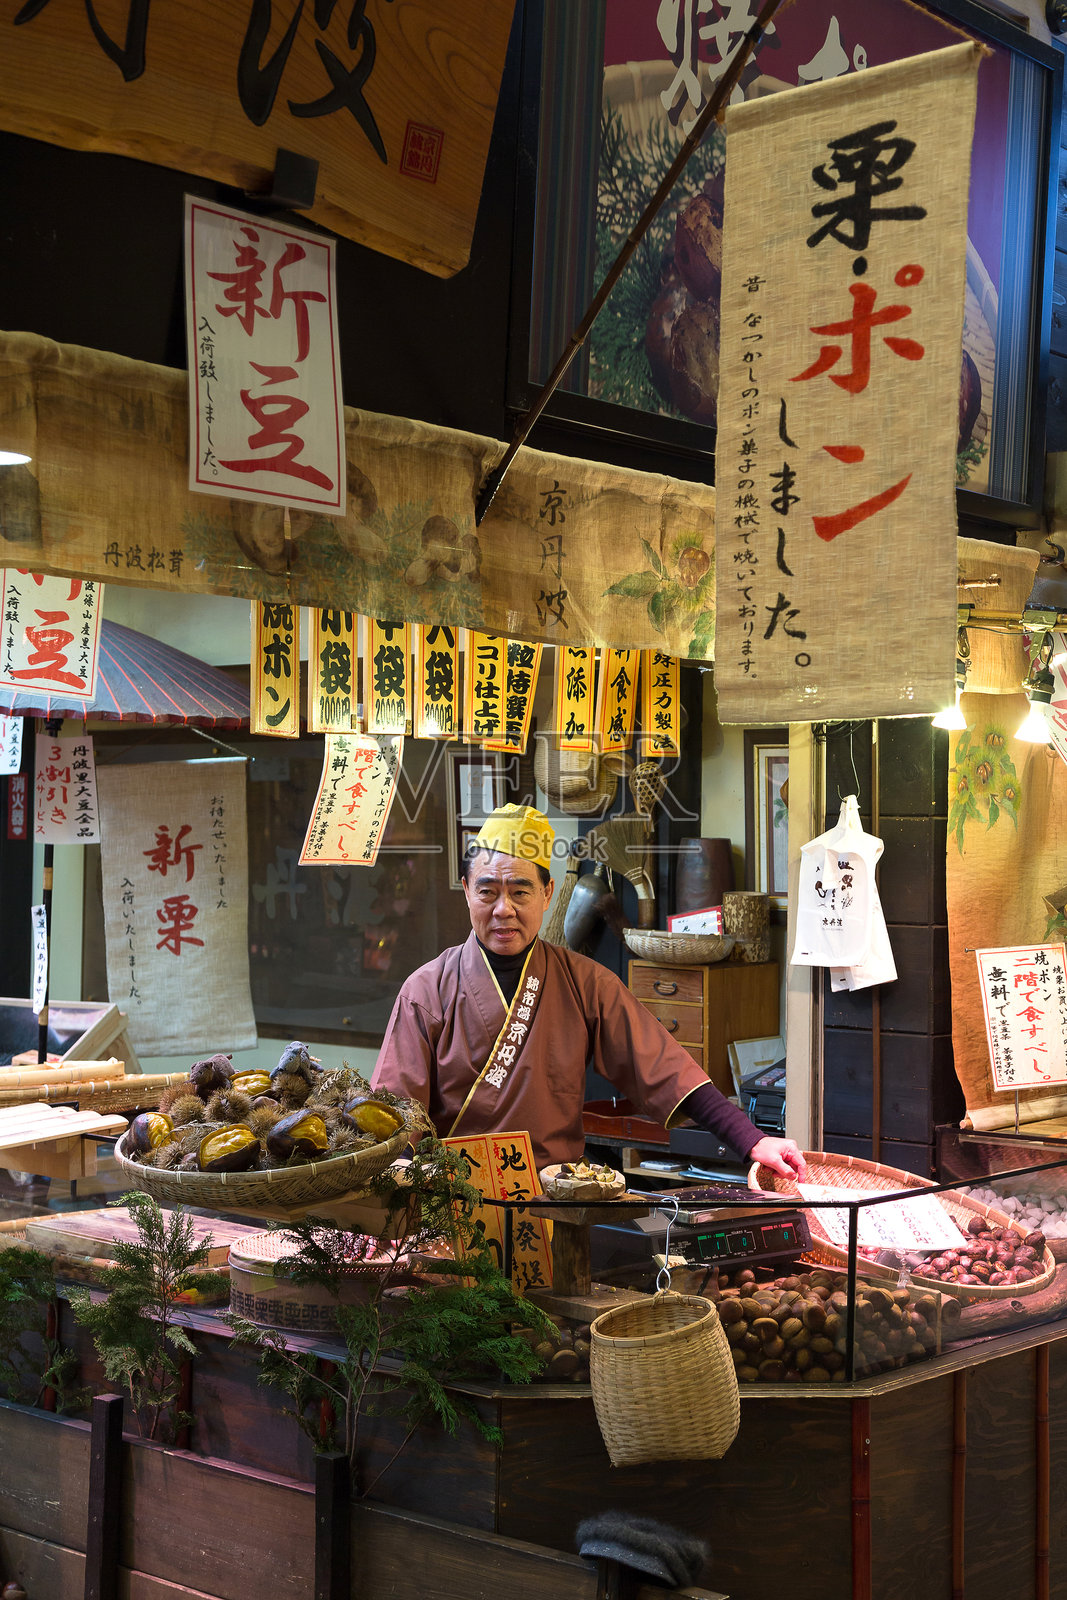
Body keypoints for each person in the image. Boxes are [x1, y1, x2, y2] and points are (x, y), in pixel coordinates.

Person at [372, 804, 806, 1179]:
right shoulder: (426, 990)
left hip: (553, 1201)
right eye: (487, 891)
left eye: (520, 891)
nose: (503, 909)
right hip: (453, 1203)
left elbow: (664, 1067)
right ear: (466, 891)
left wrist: (752, 1140)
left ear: (547, 893)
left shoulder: (585, 983)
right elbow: (392, 1114)